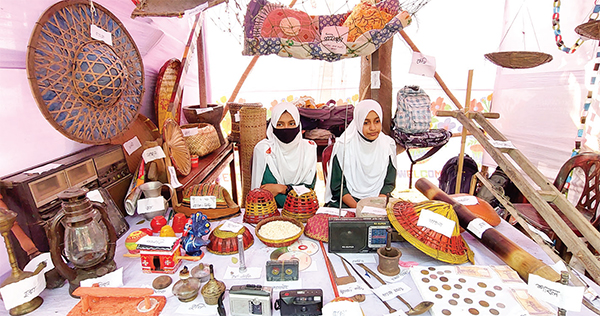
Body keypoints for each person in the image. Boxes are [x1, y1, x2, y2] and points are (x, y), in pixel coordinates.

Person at [325, 99, 397, 208]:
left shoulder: (388, 145)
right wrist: (359, 208)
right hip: (348, 203)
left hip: (379, 202)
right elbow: (338, 188)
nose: (373, 127)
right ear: (358, 122)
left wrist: (376, 206)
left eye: (377, 121)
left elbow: (388, 184)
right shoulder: (344, 146)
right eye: (366, 122)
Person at [251, 102, 317, 207]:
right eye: (280, 124)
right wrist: (295, 197)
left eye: (291, 124)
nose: (286, 128)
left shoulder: (309, 148)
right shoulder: (264, 150)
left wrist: (282, 189)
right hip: (271, 211)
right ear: (272, 126)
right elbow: (267, 191)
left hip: (302, 211)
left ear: (298, 124)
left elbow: (308, 189)